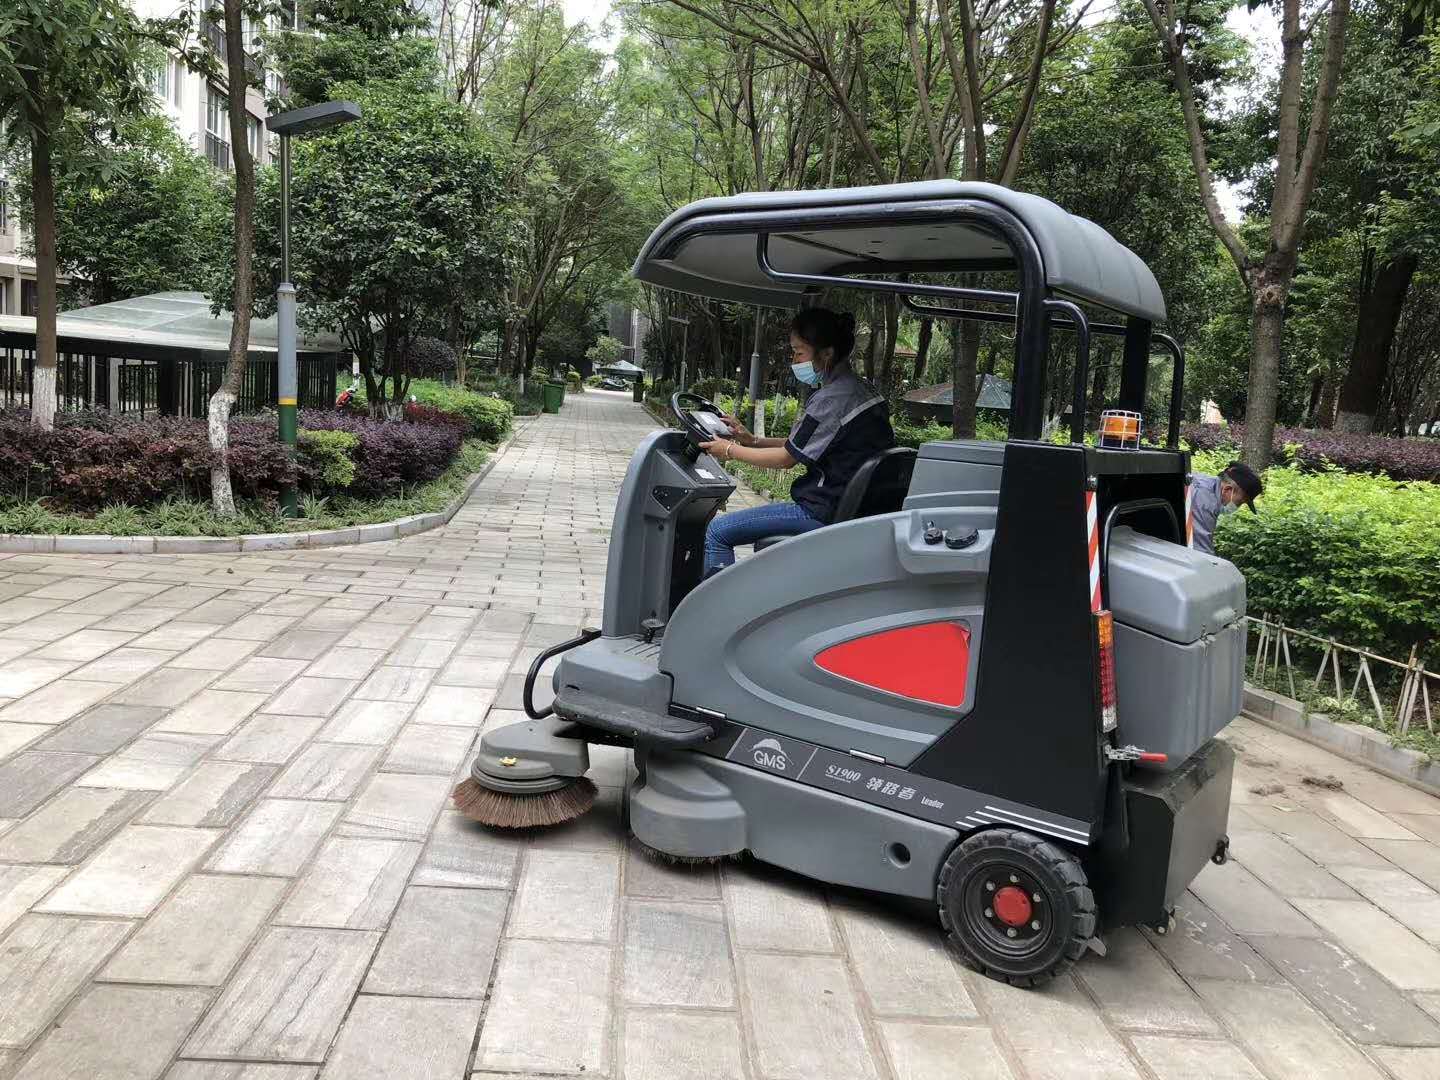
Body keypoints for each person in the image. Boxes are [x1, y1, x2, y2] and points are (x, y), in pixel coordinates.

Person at [699, 307, 895, 575]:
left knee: (717, 531)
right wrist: (752, 440)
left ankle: (717, 601)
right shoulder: (862, 390)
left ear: (827, 353)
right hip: (853, 509)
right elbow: (802, 443)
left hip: (821, 511)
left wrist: (729, 449)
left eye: (799, 352)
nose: (794, 359)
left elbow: (786, 459)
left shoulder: (831, 399)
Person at [1190, 461, 1263, 555]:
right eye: (1240, 502)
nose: (1237, 507)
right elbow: (1201, 551)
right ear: (1228, 489)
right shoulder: (1205, 500)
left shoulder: (1203, 481)